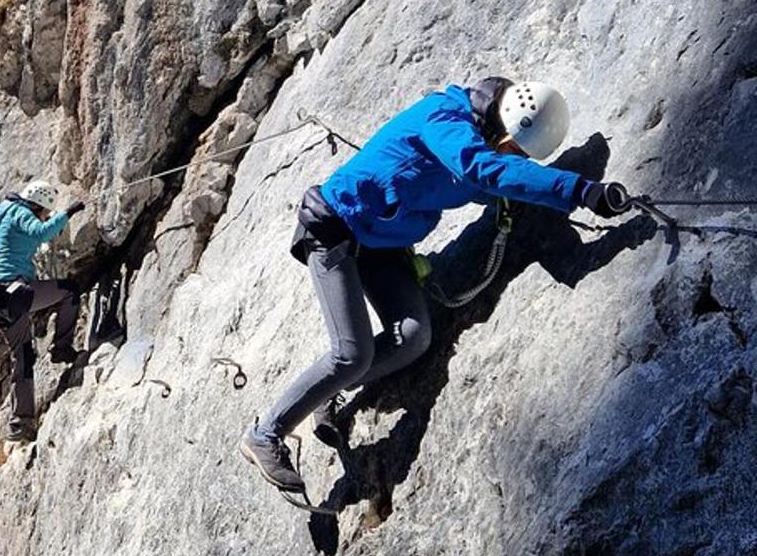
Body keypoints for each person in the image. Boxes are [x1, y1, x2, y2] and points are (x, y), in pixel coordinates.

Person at [239, 78, 631, 492]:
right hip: (333, 228)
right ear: (502, 127)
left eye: (520, 155)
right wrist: (579, 191)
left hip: (380, 245)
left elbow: (487, 179)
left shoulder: (475, 139)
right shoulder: (445, 119)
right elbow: (482, 169)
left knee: (413, 337)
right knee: (351, 355)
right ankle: (266, 433)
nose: (512, 157)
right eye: (514, 149)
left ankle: (327, 393)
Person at [0, 180, 86, 441]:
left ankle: (21, 422)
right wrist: (68, 213)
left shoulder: (6, 211)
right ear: (39, 205)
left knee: (23, 355)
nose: (45, 216)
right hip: (14, 291)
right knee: (70, 291)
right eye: (45, 211)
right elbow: (41, 233)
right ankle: (61, 348)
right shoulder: (22, 213)